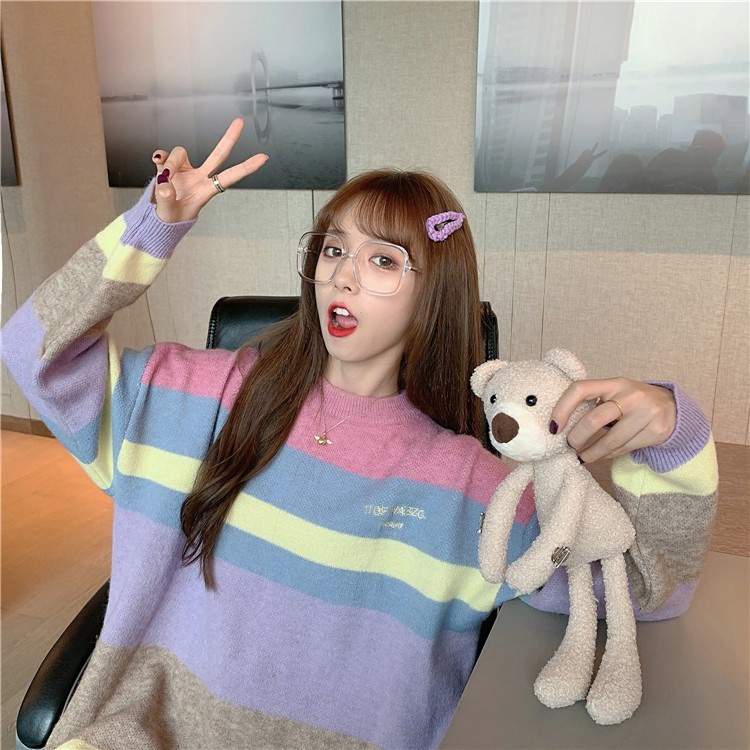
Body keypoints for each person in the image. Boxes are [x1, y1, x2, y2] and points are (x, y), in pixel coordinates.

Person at [3, 119, 717, 750]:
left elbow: (647, 587)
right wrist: (150, 228)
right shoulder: (197, 397)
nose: (342, 276)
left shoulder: (471, 487)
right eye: (333, 249)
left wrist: (673, 436)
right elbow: (32, 349)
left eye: (383, 260)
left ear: (434, 291)